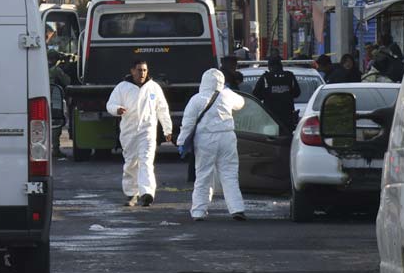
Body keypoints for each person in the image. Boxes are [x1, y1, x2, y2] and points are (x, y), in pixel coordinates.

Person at [177, 69, 247, 221]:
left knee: (203, 175)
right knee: (229, 174)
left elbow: (187, 124)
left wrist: (181, 142)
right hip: (227, 137)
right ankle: (237, 208)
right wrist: (227, 90)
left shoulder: (196, 99)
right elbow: (241, 103)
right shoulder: (227, 95)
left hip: (205, 140)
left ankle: (198, 212)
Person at [106, 60, 172, 207]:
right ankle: (131, 194)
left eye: (144, 70)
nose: (142, 73)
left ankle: (147, 193)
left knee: (146, 160)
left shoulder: (154, 87)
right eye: (139, 70)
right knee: (131, 162)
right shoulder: (122, 88)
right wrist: (117, 109)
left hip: (147, 130)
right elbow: (110, 104)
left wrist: (167, 129)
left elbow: (162, 109)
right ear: (132, 71)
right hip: (129, 131)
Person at [252, 55, 301, 128]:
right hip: (287, 115)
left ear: (269, 67)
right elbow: (297, 93)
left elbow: (255, 95)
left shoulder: (265, 77)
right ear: (281, 66)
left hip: (270, 117)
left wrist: (267, 95)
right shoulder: (289, 76)